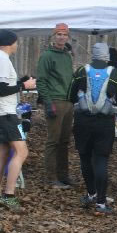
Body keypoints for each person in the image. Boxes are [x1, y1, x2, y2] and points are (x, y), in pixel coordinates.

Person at [69, 43, 117, 215]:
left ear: (92, 55)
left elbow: (71, 95)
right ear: (107, 56)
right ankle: (101, 203)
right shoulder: (115, 73)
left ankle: (91, 193)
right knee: (101, 161)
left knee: (85, 158)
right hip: (104, 122)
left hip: (83, 121)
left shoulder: (81, 71)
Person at [0, 30, 37, 210]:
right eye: (16, 42)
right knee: (22, 152)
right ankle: (9, 195)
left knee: (2, 154)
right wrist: (24, 86)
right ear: (11, 43)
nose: (18, 45)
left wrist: (20, 82)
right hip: (5, 114)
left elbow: (4, 85)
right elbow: (1, 89)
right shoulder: (3, 60)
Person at [36, 23, 75, 188]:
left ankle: (63, 174)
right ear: (54, 36)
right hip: (55, 101)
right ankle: (51, 178)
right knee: (53, 140)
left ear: (67, 37)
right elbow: (41, 81)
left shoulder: (67, 55)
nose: (61, 37)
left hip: (68, 101)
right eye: (58, 34)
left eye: (64, 35)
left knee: (65, 141)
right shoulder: (47, 56)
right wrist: (48, 102)